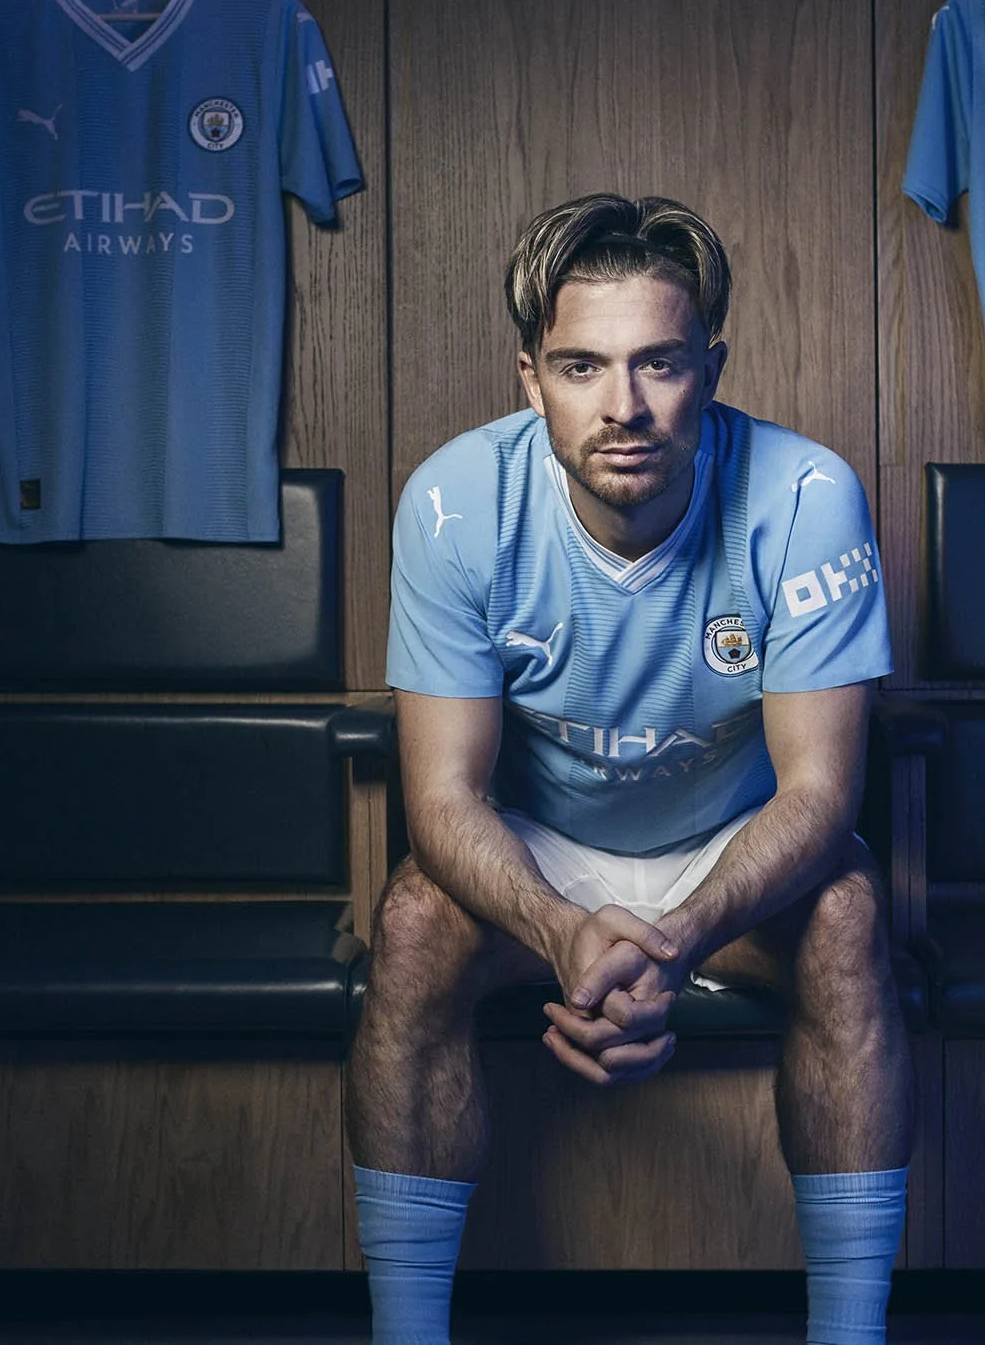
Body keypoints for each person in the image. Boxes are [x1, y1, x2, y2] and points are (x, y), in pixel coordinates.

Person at [348, 193, 911, 1345]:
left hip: (727, 848)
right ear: (529, 378)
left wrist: (681, 933)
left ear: (711, 369)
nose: (623, 406)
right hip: (544, 853)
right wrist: (561, 929)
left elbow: (820, 792)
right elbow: (442, 798)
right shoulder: (456, 502)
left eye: (659, 362)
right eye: (581, 366)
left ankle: (851, 1337)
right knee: (411, 920)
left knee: (848, 910)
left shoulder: (804, 495)